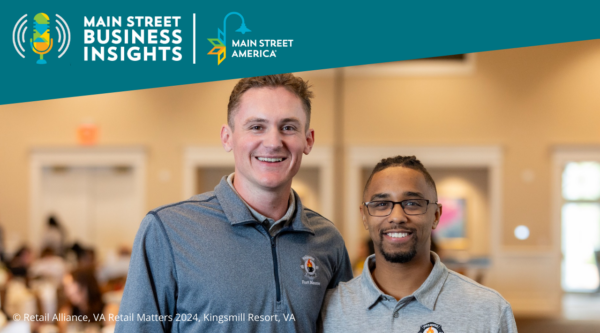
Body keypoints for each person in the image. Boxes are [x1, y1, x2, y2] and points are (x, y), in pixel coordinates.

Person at [116, 74, 353, 332]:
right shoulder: (167, 231)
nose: (273, 142)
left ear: (308, 140)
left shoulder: (328, 240)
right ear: (227, 138)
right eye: (256, 127)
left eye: (288, 127)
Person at [320, 156, 517, 333]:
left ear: (436, 216)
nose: (397, 217)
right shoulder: (328, 307)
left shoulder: (490, 310)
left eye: (412, 203)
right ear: (365, 216)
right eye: (381, 204)